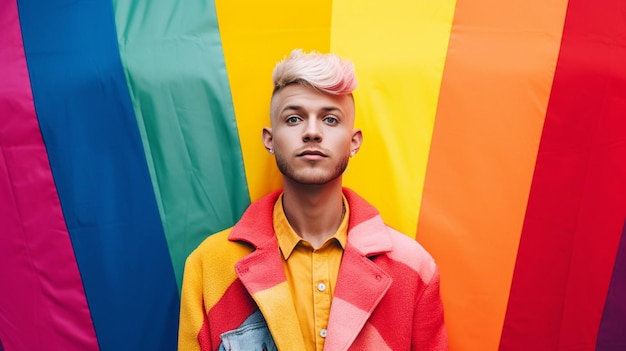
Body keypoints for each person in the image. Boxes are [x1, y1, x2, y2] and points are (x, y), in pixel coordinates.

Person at [178, 49, 448, 351]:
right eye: (293, 118)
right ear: (269, 139)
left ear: (354, 141)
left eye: (330, 119)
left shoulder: (413, 269)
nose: (312, 132)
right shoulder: (209, 267)